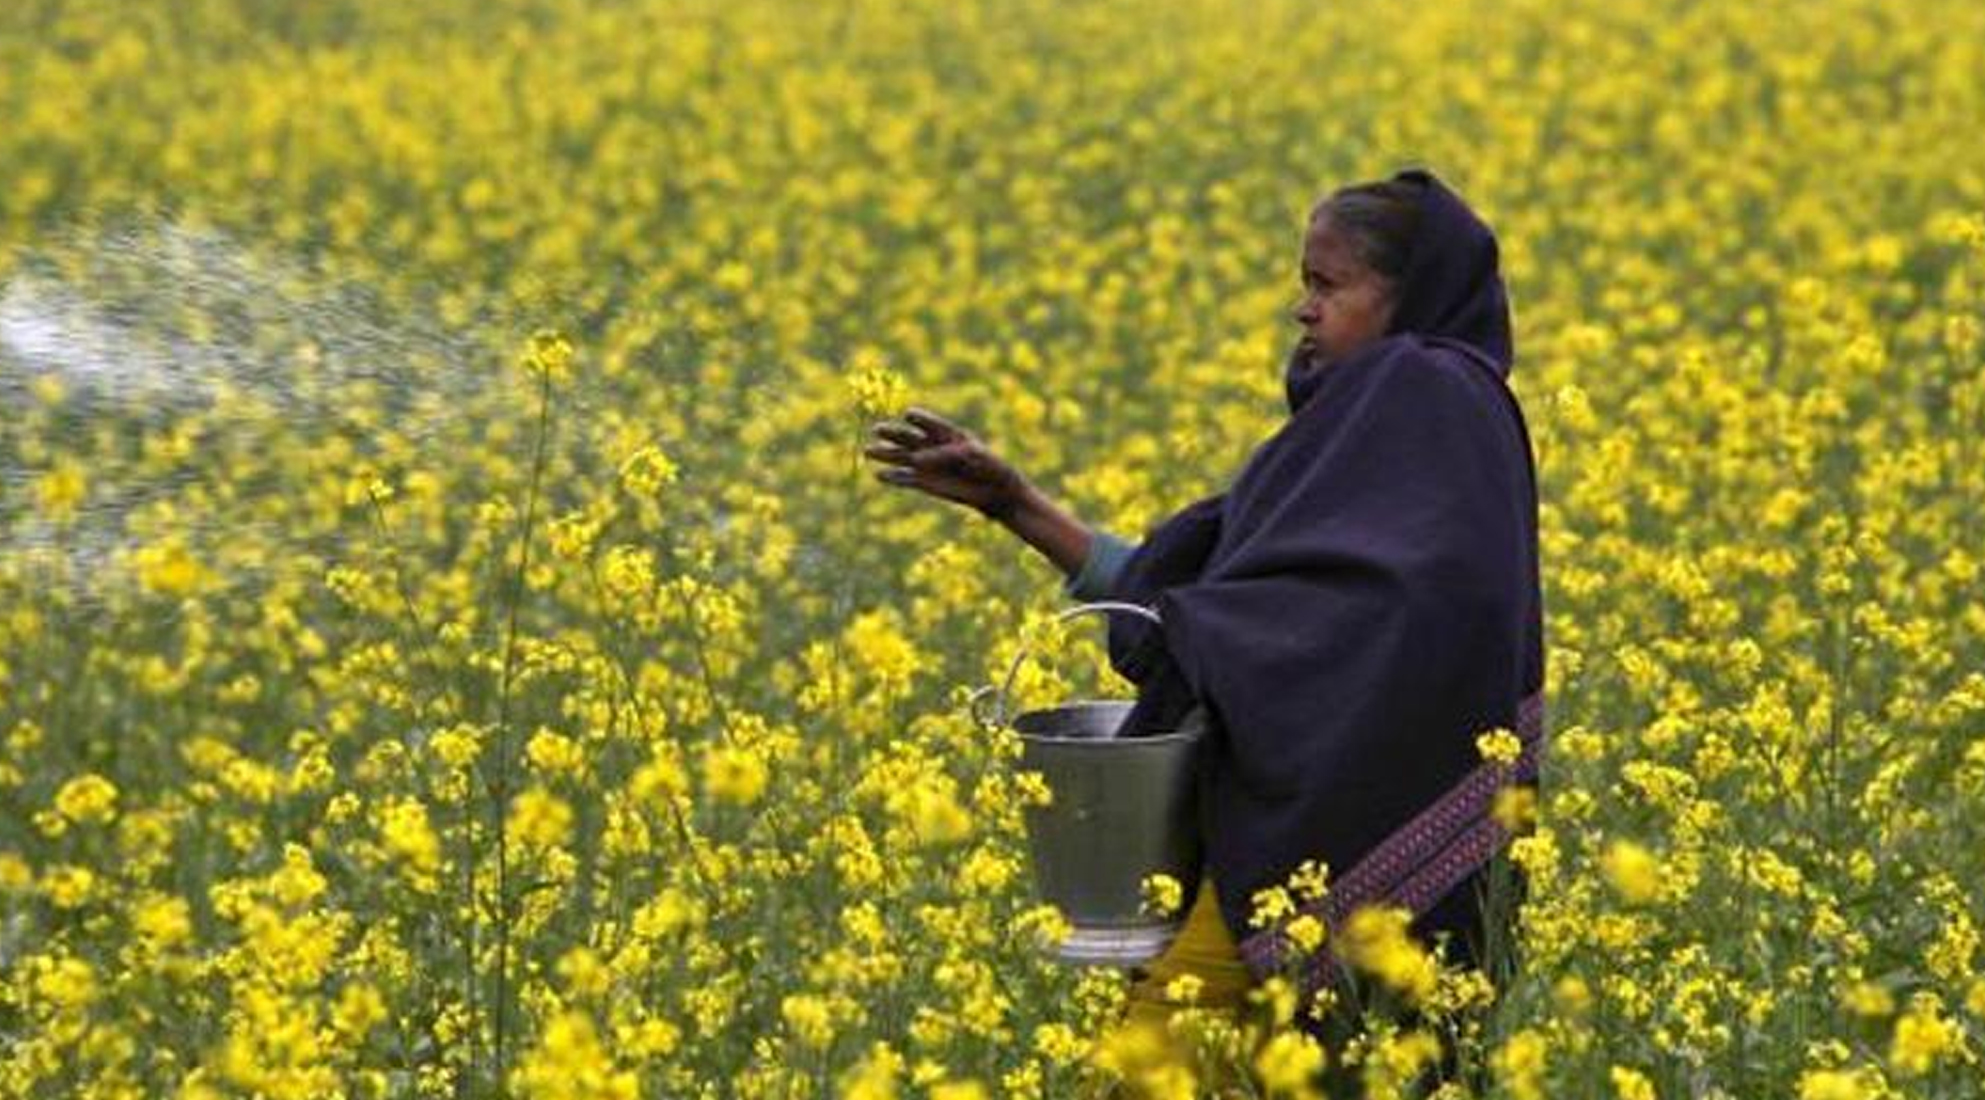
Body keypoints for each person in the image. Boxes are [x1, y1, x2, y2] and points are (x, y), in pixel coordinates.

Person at [864, 167, 1545, 1082]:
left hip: (1329, 837)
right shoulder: (1379, 418)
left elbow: (1353, 615)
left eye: (1327, 285)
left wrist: (1206, 635)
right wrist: (1015, 505)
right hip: (1298, 835)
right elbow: (1218, 587)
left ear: (1406, 294)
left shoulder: (1420, 393)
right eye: (1303, 282)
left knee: (1157, 1066)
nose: (1302, 311)